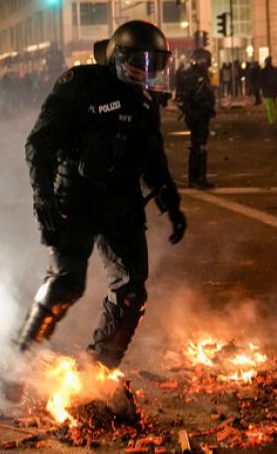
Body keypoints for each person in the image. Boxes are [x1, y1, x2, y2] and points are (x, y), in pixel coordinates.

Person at [16, 20, 187, 370]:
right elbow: (40, 143)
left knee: (132, 293)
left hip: (121, 202)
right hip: (75, 197)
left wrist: (171, 203)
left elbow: (152, 160)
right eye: (139, 63)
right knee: (67, 284)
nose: (145, 73)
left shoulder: (145, 103)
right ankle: (19, 362)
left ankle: (99, 371)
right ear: (117, 57)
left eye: (154, 65)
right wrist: (43, 197)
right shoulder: (80, 85)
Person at [175, 48, 216, 188]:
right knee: (197, 147)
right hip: (196, 115)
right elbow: (184, 98)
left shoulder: (201, 74)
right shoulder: (192, 75)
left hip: (202, 114)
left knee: (201, 147)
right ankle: (196, 179)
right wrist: (192, 113)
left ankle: (199, 178)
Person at [260, 57, 277, 126]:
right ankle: (274, 118)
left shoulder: (264, 71)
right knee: (273, 104)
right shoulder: (275, 71)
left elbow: (261, 81)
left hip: (267, 90)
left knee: (269, 106)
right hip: (274, 90)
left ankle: (271, 119)